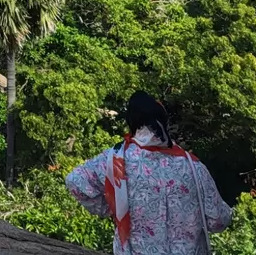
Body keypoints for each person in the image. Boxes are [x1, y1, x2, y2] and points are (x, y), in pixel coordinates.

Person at [66, 91, 231, 255]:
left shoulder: (115, 159)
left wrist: (109, 209)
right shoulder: (193, 166)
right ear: (163, 121)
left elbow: (75, 181)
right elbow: (218, 221)